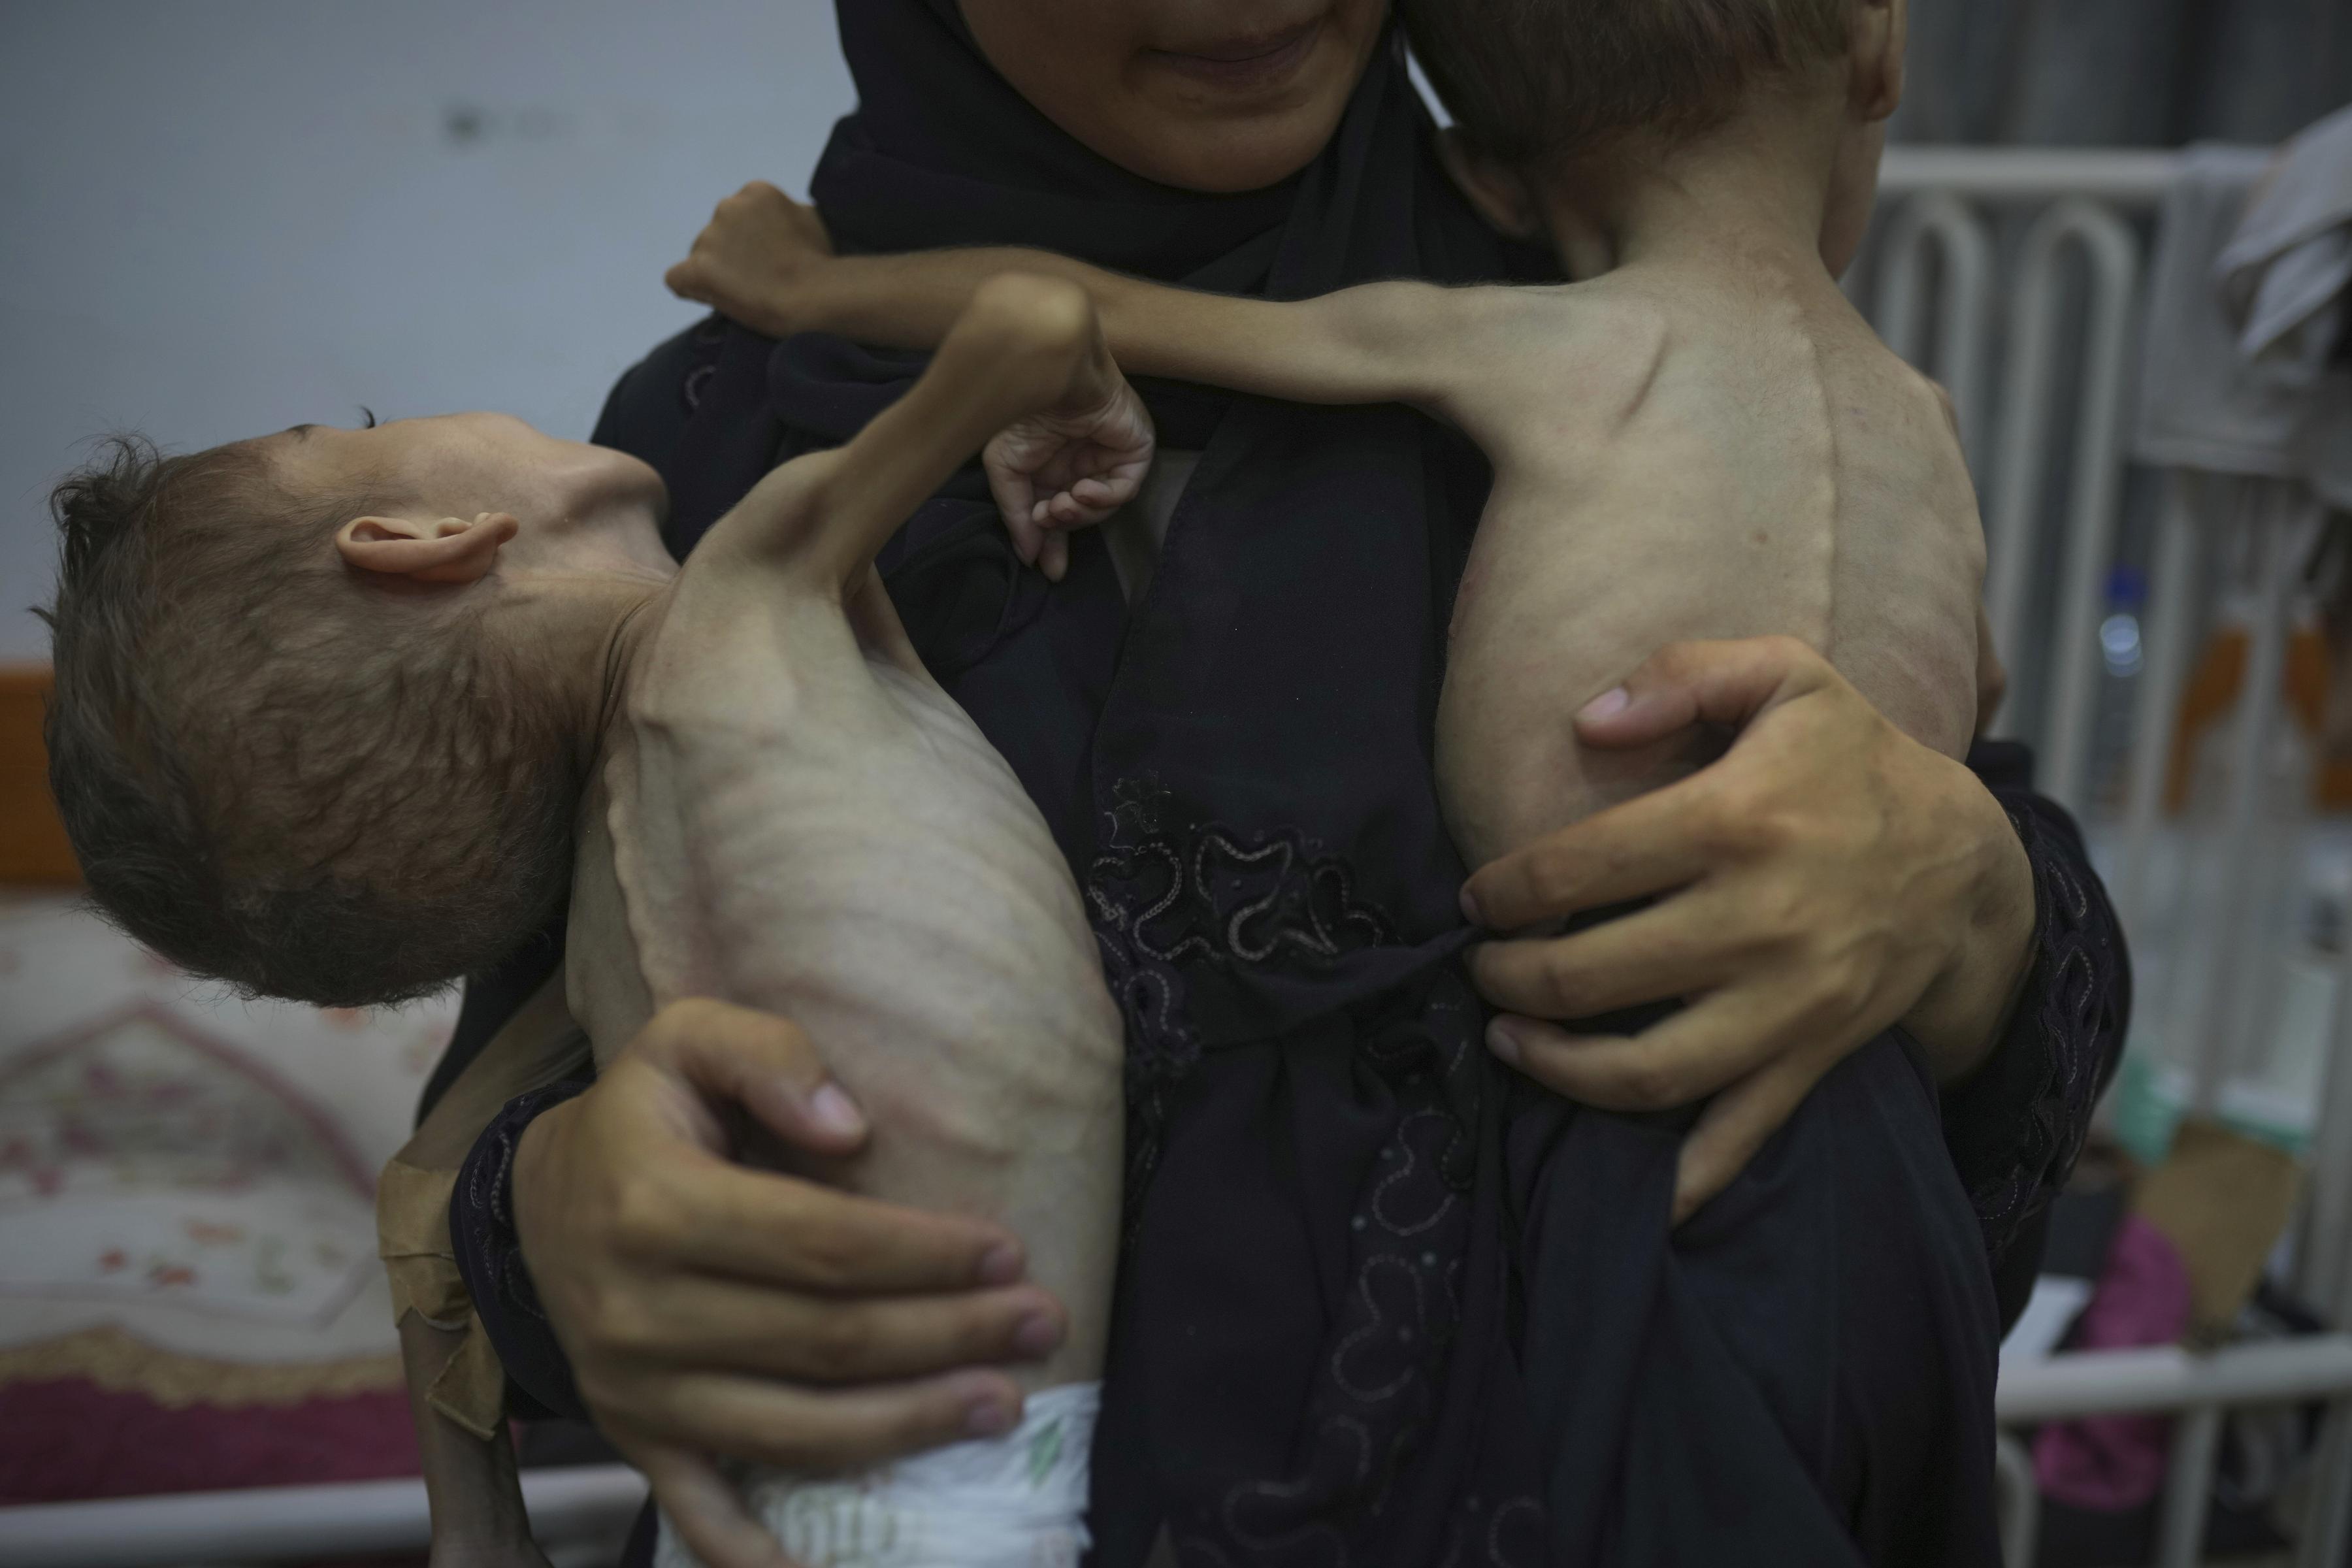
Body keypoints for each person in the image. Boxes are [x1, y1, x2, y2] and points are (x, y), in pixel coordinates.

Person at [426, 1, 2127, 1565]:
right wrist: (562, 1217)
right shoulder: (714, 442)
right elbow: (504, 1096)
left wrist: (1969, 898)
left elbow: (1990, 940)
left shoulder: (1589, 261)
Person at [40, 285, 1152, 1564]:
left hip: (737, 1511)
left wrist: (477, 1525)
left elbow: (427, 1180)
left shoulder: (609, 900)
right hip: (982, 1471)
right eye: (349, 425)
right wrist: (1022, 383)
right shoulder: (751, 590)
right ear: (422, 534)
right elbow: (1029, 319)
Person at [666, 0, 1988, 868]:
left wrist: (1977, 909)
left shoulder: (1530, 324)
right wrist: (538, 1190)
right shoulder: (698, 443)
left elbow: (1982, 807)